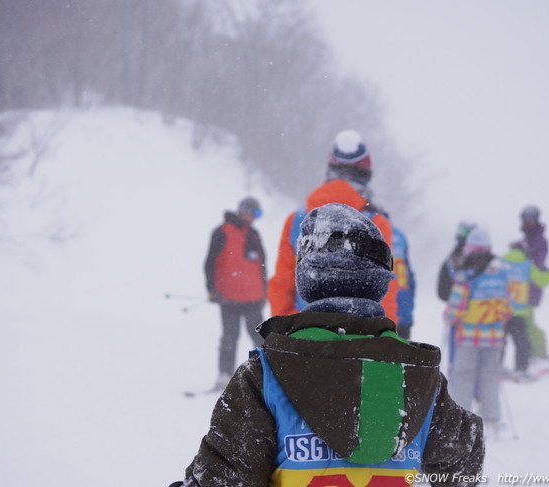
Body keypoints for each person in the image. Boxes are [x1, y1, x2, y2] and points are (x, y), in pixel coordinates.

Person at [177, 203, 484, 487]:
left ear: (307, 278)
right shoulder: (419, 375)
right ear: (379, 280)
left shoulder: (266, 373)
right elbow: (463, 467)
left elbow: (222, 477)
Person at [268, 129, 399, 322]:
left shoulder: (296, 220)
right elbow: (385, 292)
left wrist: (287, 334)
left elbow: (281, 285)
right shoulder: (378, 224)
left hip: (304, 336)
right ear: (365, 175)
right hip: (361, 338)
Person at [443, 227, 511, 437]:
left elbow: (456, 309)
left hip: (469, 337)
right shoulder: (501, 273)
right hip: (494, 337)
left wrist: (449, 318)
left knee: (463, 376)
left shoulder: (467, 274)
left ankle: (462, 422)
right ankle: (492, 421)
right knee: (490, 376)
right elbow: (507, 309)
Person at [204, 196, 267, 390]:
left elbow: (262, 267)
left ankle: (267, 373)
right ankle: (224, 375)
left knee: (260, 337)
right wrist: (211, 289)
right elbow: (210, 262)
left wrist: (264, 293)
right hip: (229, 296)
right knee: (230, 336)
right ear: (243, 210)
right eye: (254, 212)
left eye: (258, 214)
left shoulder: (254, 234)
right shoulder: (222, 232)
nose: (254, 218)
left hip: (253, 298)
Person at [503, 245, 549, 380]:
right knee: (522, 343)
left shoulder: (502, 263)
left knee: (500, 341)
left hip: (502, 311)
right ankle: (520, 370)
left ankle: (497, 367)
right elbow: (541, 281)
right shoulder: (526, 266)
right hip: (519, 312)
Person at [511, 205, 549, 359]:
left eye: (530, 220)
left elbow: (538, 262)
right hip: (519, 288)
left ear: (536, 220)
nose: (527, 223)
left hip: (530, 288)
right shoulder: (526, 239)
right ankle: (532, 354)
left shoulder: (539, 240)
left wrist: (527, 254)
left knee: (528, 326)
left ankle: (539, 354)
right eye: (525, 220)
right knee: (524, 325)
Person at [437, 221, 476, 302]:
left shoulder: (450, 261)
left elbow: (443, 293)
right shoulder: (487, 261)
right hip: (486, 309)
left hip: (458, 309)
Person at [392, 224, 417, 339]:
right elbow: (410, 279)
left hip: (378, 316)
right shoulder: (398, 235)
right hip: (402, 310)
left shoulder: (364, 228)